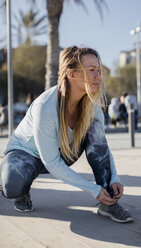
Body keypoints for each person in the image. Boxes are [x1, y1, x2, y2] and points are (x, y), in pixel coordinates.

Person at [0, 46, 133, 223]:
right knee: (12, 186)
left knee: (94, 129)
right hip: (26, 155)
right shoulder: (45, 107)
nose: (98, 76)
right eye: (91, 70)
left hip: (61, 153)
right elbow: (52, 162)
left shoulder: (92, 107)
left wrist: (114, 179)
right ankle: (20, 191)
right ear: (72, 74)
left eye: (99, 70)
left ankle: (108, 203)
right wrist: (93, 190)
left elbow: (103, 148)